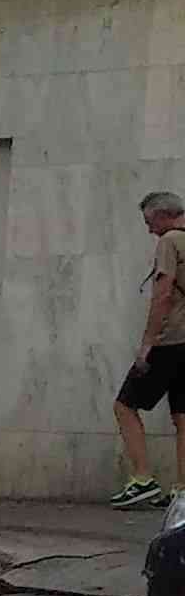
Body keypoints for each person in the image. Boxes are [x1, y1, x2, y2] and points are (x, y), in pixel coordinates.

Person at [113, 188, 185, 506]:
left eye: (149, 222)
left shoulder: (170, 241)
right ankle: (182, 490)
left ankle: (142, 479)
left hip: (169, 341)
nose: (149, 230)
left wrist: (146, 345)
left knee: (124, 405)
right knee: (183, 416)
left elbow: (163, 294)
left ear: (163, 215)